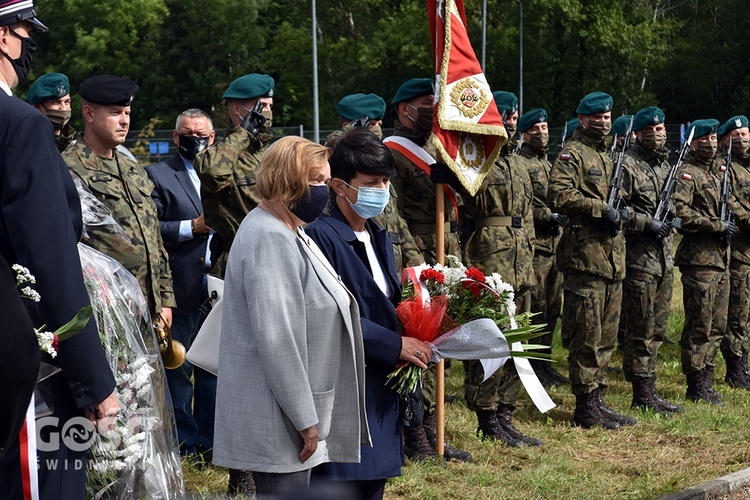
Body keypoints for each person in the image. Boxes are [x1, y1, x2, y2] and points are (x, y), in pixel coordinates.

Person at [0, 3, 118, 497]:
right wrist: (94, 379)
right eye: (25, 32)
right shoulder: (19, 124)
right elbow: (48, 258)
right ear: (4, 37)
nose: (28, 44)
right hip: (21, 363)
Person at [212, 136, 369, 498]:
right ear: (286, 179)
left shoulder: (291, 228)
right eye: (315, 180)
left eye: (325, 180)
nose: (323, 190)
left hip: (289, 408)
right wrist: (305, 419)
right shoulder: (271, 236)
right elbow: (278, 337)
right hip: (281, 415)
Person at [306, 128, 434, 500]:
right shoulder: (321, 236)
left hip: (381, 386)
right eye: (372, 182)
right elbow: (329, 315)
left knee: (372, 484)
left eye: (385, 181)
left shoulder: (376, 233)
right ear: (340, 186)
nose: (382, 189)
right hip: (347, 388)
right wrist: (394, 344)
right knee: (344, 484)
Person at [384, 77, 468, 462]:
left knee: (442, 339)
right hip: (415, 254)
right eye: (425, 105)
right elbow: (392, 214)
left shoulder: (438, 147)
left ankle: (434, 427)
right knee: (416, 340)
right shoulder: (393, 152)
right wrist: (415, 263)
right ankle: (414, 430)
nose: (433, 112)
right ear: (404, 109)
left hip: (446, 248)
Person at [549, 91, 635, 430]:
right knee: (587, 333)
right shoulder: (573, 153)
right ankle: (585, 405)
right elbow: (558, 194)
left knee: (606, 336)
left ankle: (598, 399)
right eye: (597, 116)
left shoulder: (609, 156)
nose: (603, 121)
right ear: (583, 119)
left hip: (611, 258)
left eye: (607, 116)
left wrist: (621, 212)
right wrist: (600, 209)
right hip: (585, 257)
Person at [63, 75, 176, 323]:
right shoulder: (67, 168)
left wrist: (165, 299)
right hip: (107, 310)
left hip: (149, 307)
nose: (124, 120)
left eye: (127, 112)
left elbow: (154, 238)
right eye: (116, 113)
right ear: (89, 114)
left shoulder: (131, 167)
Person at [462, 97, 541, 447]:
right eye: (506, 117)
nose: (511, 122)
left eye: (514, 117)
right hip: (492, 258)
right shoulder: (478, 160)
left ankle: (506, 410)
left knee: (518, 340)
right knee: (492, 340)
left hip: (523, 260)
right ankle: (486, 413)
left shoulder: (520, 163)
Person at [145, 108, 217, 460]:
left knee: (213, 367)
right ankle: (184, 444)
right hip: (180, 287)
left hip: (219, 286)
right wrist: (193, 227)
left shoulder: (223, 174)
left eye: (202, 133)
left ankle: (211, 440)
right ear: (176, 137)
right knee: (178, 366)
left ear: (213, 137)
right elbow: (149, 228)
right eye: (188, 133)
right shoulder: (158, 174)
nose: (196, 139)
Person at [618, 106, 683, 415]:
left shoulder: (663, 168)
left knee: (657, 326)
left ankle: (650, 388)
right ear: (638, 133)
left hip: (663, 259)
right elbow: (617, 211)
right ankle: (642, 393)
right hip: (639, 258)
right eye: (651, 130)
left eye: (661, 129)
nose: (658, 134)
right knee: (641, 327)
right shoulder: (628, 165)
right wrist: (647, 222)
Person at [329, 92, 423, 275]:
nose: (377, 130)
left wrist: (415, 263)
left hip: (391, 261)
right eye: (370, 124)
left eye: (379, 124)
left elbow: (397, 218)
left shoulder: (380, 171)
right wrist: (347, 138)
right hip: (358, 258)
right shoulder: (336, 160)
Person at [673, 119, 732, 404]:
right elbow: (680, 211)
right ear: (694, 142)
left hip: (720, 259)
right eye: (704, 137)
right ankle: (695, 383)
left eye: (712, 136)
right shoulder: (687, 174)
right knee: (700, 324)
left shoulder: (720, 173)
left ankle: (706, 377)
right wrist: (714, 225)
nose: (709, 142)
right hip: (699, 259)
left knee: (718, 324)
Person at [195, 73, 274, 277]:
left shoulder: (272, 153)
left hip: (277, 251)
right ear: (237, 109)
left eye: (270, 107)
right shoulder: (217, 155)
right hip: (240, 257)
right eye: (262, 106)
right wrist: (243, 133)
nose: (268, 113)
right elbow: (214, 173)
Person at [516, 108, 568, 387]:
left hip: (555, 247)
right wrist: (547, 216)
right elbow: (524, 203)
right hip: (535, 248)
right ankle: (530, 364)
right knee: (535, 308)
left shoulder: (550, 164)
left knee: (552, 308)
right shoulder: (521, 162)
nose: (542, 133)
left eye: (545, 127)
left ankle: (543, 361)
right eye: (535, 129)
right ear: (524, 134)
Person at [718, 115, 750, 389]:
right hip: (738, 250)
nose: (743, 139)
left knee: (748, 313)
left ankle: (744, 363)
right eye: (737, 136)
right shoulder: (723, 168)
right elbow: (728, 201)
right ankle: (734, 367)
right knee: (737, 313)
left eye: (746, 134)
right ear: (726, 139)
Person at [25, 71, 75, 151]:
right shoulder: (27, 145)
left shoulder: (75, 147)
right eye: (55, 103)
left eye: (66, 102)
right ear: (37, 107)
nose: (63, 108)